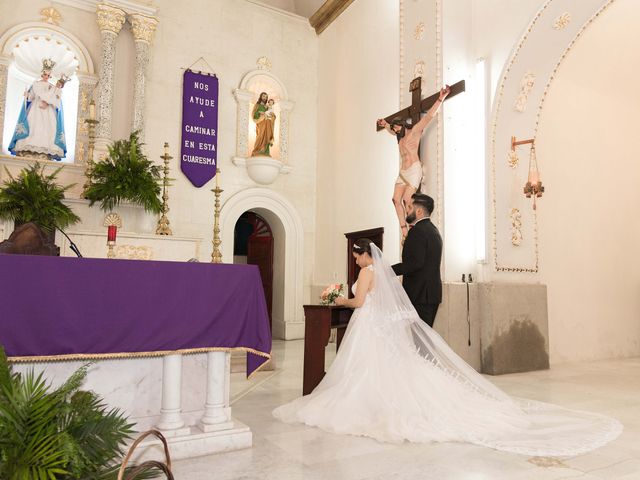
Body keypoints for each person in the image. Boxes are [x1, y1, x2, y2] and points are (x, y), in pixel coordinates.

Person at [273, 239, 622, 456]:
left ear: (364, 254)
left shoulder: (367, 274)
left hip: (368, 326)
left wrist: (337, 300)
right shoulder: (385, 273)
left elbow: (362, 303)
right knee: (386, 368)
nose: (356, 260)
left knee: (365, 371)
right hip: (379, 328)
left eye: (356, 255)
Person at [378, 85, 450, 241]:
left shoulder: (414, 132)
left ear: (403, 125)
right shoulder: (400, 138)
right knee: (395, 200)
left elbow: (428, 117)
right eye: (395, 129)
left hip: (413, 170)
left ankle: (413, 227)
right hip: (402, 172)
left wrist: (441, 97)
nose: (395, 130)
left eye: (398, 127)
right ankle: (404, 231)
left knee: (406, 200)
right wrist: (384, 124)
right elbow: (391, 128)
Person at [392, 193, 441, 327]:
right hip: (430, 294)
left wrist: (388, 270)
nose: (406, 210)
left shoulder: (417, 231)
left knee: (418, 339)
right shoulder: (433, 230)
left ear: (418, 211)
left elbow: (414, 263)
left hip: (419, 294)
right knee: (424, 338)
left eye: (409, 207)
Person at [9, 58, 67, 160]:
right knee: (33, 125)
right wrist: (27, 96)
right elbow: (31, 97)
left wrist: (48, 100)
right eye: (45, 75)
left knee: (47, 127)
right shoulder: (36, 84)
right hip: (36, 107)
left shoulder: (52, 87)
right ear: (42, 74)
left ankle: (45, 149)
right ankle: (28, 147)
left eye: (48, 75)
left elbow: (56, 100)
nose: (46, 77)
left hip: (47, 109)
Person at [251, 92, 276, 157]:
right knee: (260, 136)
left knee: (267, 136)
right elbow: (254, 115)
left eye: (266, 97)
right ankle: (257, 150)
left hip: (267, 124)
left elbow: (272, 114)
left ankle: (266, 152)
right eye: (263, 96)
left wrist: (272, 115)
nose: (264, 98)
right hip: (261, 124)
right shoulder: (257, 105)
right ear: (261, 97)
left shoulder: (267, 106)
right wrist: (260, 113)